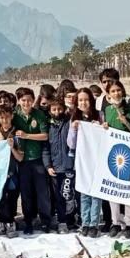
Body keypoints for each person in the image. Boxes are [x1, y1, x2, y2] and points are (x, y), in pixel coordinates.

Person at [102, 80, 130, 239]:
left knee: (128, 188)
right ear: (108, 95)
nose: (116, 93)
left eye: (119, 90)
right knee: (114, 189)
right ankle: (116, 222)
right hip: (114, 153)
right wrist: (104, 127)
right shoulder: (107, 110)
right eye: (113, 91)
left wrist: (125, 121)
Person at [13, 87, 53, 235]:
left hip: (38, 159)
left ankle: (45, 221)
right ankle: (28, 221)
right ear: (18, 101)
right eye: (23, 100)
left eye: (29, 99)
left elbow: (45, 136)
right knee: (26, 194)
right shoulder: (15, 115)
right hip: (22, 161)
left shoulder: (39, 115)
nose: (26, 103)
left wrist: (27, 135)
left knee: (42, 193)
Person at [69, 88, 103, 237]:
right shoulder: (74, 118)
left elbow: (104, 136)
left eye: (86, 99)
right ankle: (85, 222)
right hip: (82, 161)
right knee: (84, 193)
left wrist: (102, 127)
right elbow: (71, 143)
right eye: (80, 100)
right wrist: (74, 129)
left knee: (96, 193)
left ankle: (94, 223)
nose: (83, 103)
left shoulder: (99, 115)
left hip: (97, 160)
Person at [43, 98, 75, 234]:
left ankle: (70, 220)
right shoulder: (48, 126)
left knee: (68, 195)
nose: (57, 112)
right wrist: (48, 165)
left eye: (59, 109)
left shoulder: (69, 123)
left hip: (68, 167)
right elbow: (45, 149)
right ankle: (61, 222)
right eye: (54, 109)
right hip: (54, 168)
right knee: (58, 196)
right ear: (50, 111)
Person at [0, 105, 22, 238]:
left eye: (7, 117)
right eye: (2, 117)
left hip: (12, 172)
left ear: (12, 116)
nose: (5, 120)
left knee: (12, 198)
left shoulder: (16, 133)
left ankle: (10, 222)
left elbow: (20, 157)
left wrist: (12, 147)